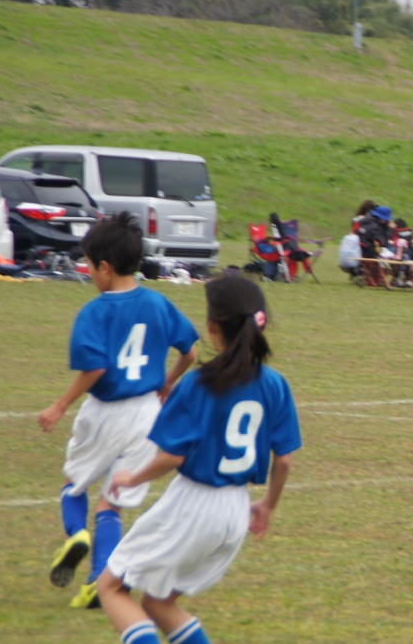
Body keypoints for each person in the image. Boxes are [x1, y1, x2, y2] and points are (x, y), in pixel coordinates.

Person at [96, 275, 302, 644]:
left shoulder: (198, 384)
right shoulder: (276, 384)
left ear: (211, 327)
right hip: (235, 514)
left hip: (192, 506)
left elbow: (172, 456)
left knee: (111, 587)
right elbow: (284, 460)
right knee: (158, 602)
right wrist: (268, 505)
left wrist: (132, 478)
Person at [37, 212, 199, 609]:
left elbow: (95, 369)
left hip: (104, 412)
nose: (89, 273)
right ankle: (99, 578)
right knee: (113, 500)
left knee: (74, 483)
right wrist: (167, 381)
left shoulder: (95, 311)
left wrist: (60, 404)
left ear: (105, 267)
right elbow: (190, 351)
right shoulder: (158, 302)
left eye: (90, 266)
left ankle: (77, 533)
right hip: (147, 415)